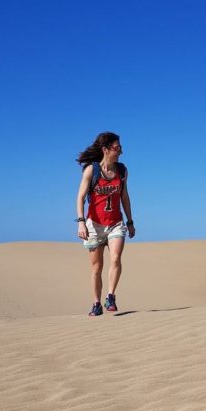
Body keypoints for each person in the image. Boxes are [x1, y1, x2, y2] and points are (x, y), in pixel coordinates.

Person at [75, 131, 135, 316]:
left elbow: (124, 197)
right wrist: (81, 222)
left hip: (116, 223)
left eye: (120, 148)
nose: (120, 151)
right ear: (106, 150)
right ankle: (96, 303)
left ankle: (110, 296)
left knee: (116, 258)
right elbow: (81, 197)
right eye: (117, 148)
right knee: (96, 267)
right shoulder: (91, 171)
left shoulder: (122, 171)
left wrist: (130, 221)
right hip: (94, 225)